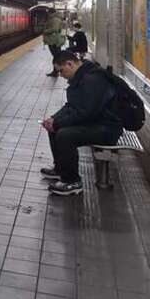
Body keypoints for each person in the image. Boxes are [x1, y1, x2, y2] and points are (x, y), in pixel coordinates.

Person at [40, 51, 123, 196]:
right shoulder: (82, 77)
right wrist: (54, 119)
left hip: (107, 128)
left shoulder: (92, 80)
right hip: (96, 122)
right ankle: (61, 169)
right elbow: (72, 106)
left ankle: (72, 182)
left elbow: (85, 112)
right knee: (54, 128)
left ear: (70, 64)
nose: (60, 75)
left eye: (61, 71)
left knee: (65, 135)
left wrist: (58, 122)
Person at [42, 8, 65, 77]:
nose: (48, 14)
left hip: (54, 40)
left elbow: (55, 29)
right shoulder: (56, 18)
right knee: (56, 56)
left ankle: (57, 71)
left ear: (50, 13)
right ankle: (56, 71)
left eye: (48, 13)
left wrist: (45, 31)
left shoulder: (54, 19)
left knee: (56, 57)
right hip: (55, 40)